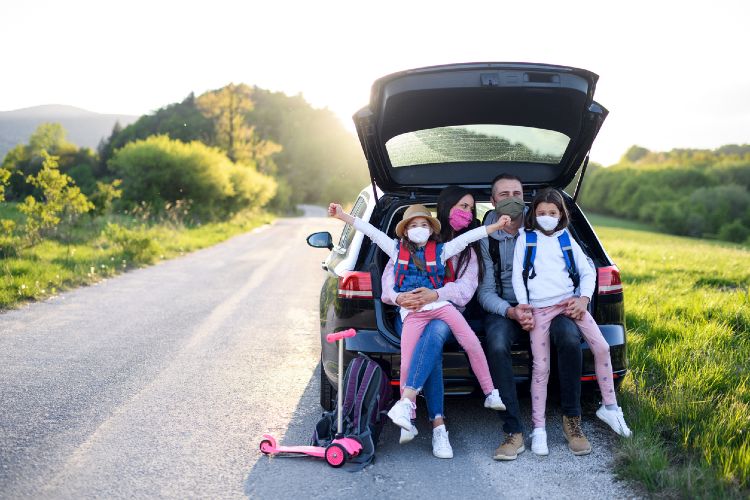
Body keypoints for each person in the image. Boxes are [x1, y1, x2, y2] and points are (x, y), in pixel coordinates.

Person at [327, 201, 510, 443]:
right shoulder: (394, 250)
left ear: (432, 229)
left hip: (440, 306)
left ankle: (490, 392)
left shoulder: (443, 250)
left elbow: (467, 239)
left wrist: (494, 226)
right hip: (413, 313)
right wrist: (343, 217)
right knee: (407, 361)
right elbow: (371, 231)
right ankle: (407, 415)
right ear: (405, 231)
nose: (420, 228)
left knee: (471, 341)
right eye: (414, 225)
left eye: (424, 224)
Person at [478, 173, 591, 459]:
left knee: (567, 336)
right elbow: (485, 291)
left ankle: (572, 421)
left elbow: (581, 262)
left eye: (517, 192)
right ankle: (513, 432)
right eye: (504, 194)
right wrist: (511, 311)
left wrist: (581, 298)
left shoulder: (545, 217)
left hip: (552, 304)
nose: (512, 198)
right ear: (492, 201)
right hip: (508, 308)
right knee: (497, 343)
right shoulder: (487, 236)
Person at [513, 187, 632, 455]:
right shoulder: (526, 238)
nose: (546, 216)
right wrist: (524, 306)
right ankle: (539, 428)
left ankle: (610, 408)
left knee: (602, 348)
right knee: (541, 369)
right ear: (533, 214)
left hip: (570, 305)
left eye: (552, 212)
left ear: (561, 214)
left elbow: (588, 272)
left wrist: (584, 300)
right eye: (541, 212)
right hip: (540, 310)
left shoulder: (566, 238)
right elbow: (517, 278)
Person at [380, 186, 486, 459]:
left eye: (470, 209)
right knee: (432, 348)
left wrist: (436, 294)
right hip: (412, 312)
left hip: (446, 313)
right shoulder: (408, 249)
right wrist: (399, 297)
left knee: (436, 332)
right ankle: (438, 425)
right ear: (447, 208)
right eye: (462, 206)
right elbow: (389, 282)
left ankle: (411, 407)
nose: (467, 213)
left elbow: (465, 291)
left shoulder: (466, 252)